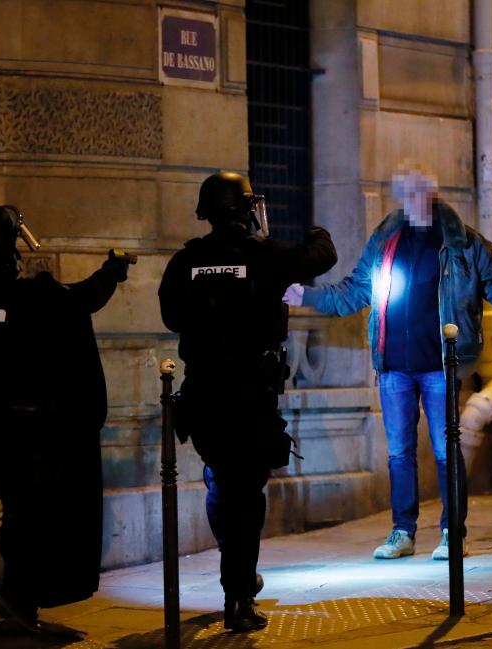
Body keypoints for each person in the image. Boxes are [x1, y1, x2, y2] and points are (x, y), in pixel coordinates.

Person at [283, 162, 492, 561]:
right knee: (399, 452)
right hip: (394, 365)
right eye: (405, 191)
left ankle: (452, 532)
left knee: (447, 450)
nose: (411, 198)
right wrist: (305, 296)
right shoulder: (386, 239)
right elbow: (354, 291)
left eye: (418, 190)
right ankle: (403, 531)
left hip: (440, 366)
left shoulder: (462, 242)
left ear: (432, 193)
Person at [158, 172, 336, 632]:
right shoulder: (263, 255)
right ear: (243, 209)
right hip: (251, 397)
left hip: (204, 395)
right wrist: (316, 229)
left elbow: (172, 315)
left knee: (221, 484)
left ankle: (234, 575)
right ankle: (239, 594)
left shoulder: (186, 261)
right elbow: (322, 256)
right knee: (247, 495)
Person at [0, 205, 132, 633]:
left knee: (18, 513)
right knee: (39, 518)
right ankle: (18, 597)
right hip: (33, 431)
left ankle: (19, 600)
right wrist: (113, 270)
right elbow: (84, 298)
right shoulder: (29, 295)